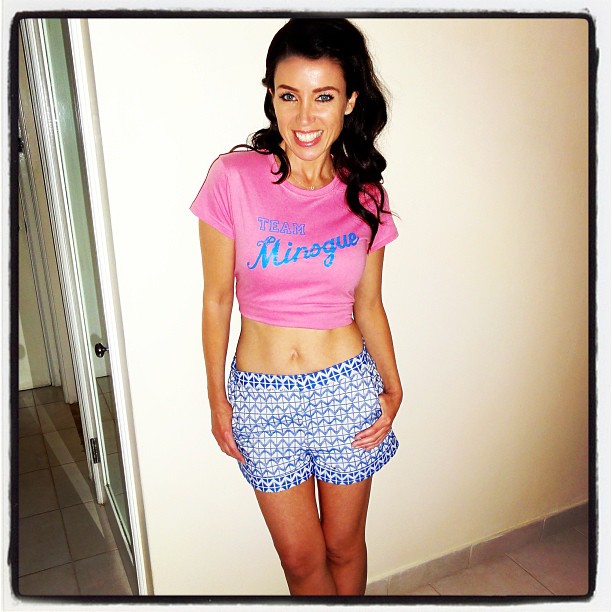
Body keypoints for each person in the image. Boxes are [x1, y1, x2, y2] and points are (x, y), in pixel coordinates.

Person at [191, 18, 402, 596]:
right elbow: (216, 300)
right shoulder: (233, 178)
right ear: (272, 97)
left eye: (324, 96)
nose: (305, 116)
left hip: (346, 389)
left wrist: (393, 385)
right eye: (289, 96)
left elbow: (370, 304)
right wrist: (217, 399)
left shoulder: (366, 194)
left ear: (350, 101)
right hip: (261, 397)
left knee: (344, 545)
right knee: (302, 561)